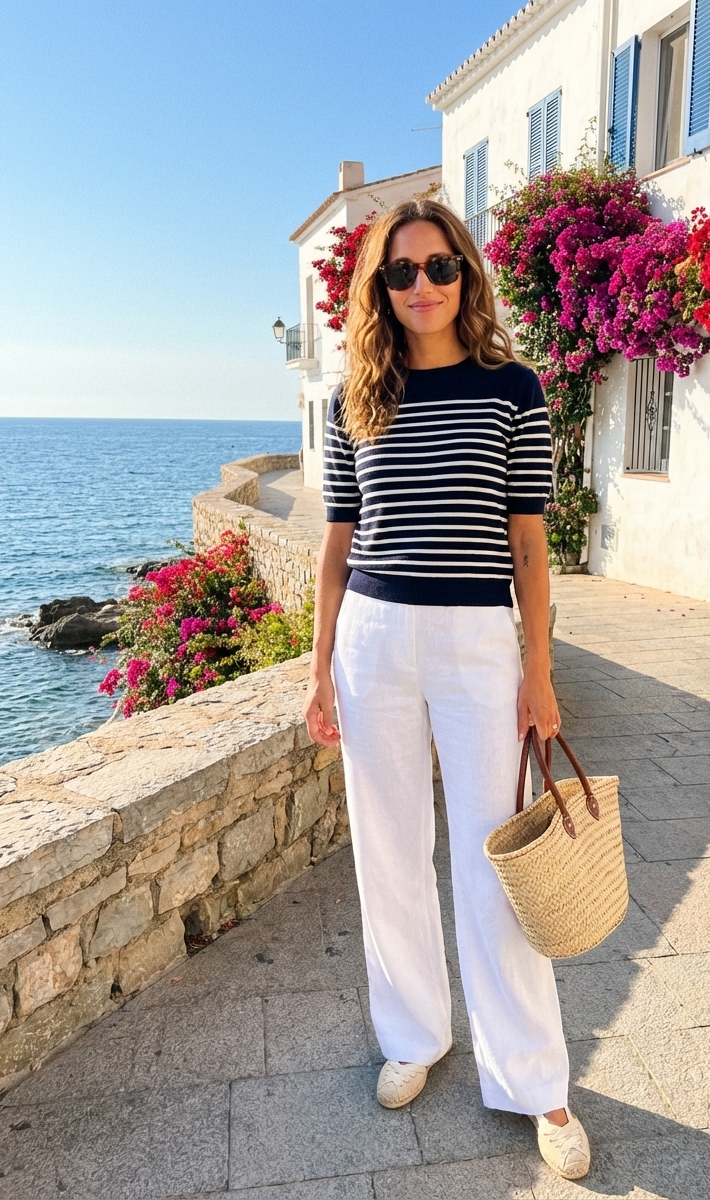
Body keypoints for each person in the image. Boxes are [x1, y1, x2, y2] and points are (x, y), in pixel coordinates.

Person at [302, 197, 591, 1182]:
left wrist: (539, 673)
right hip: (373, 641)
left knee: (493, 860)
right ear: (377, 289)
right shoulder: (359, 396)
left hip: (476, 642)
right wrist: (317, 669)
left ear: (465, 275)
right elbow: (338, 544)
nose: (422, 285)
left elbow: (529, 547)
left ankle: (533, 1082)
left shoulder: (513, 388)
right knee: (386, 851)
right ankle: (412, 1038)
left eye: (439, 267)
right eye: (400, 272)